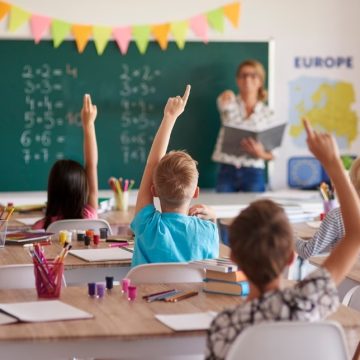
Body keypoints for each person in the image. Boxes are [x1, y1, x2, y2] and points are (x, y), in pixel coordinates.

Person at [205, 118, 360, 360]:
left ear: (233, 256)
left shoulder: (224, 327)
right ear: (291, 257)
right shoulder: (308, 301)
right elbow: (356, 234)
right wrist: (333, 163)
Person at [131, 85, 219, 267]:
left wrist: (169, 117)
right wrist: (213, 218)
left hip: (144, 296)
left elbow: (151, 164)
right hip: (192, 297)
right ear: (196, 192)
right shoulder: (208, 231)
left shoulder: (148, 226)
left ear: (153, 190)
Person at [33, 94, 98, 230]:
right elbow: (91, 164)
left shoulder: (41, 227)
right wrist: (89, 124)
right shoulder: (89, 217)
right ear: (83, 190)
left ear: (52, 190)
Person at [212, 60, 276, 192]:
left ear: (260, 81)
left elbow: (273, 154)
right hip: (227, 169)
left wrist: (260, 153)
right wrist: (226, 95)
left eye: (253, 75)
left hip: (254, 172)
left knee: (256, 211)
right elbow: (221, 103)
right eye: (243, 75)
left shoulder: (268, 113)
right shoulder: (229, 103)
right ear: (237, 80)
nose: (247, 79)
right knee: (222, 210)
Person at [296, 157, 360, 259]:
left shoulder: (337, 216)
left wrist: (289, 236)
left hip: (343, 273)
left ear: (351, 184)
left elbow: (307, 251)